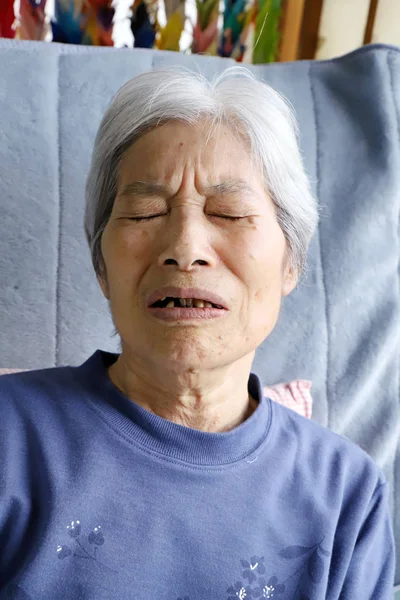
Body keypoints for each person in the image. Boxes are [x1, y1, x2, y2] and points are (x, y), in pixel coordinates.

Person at [0, 67, 395, 600]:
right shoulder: (10, 434)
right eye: (145, 212)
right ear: (101, 266)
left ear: (290, 262)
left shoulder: (347, 494)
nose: (185, 247)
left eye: (229, 213)